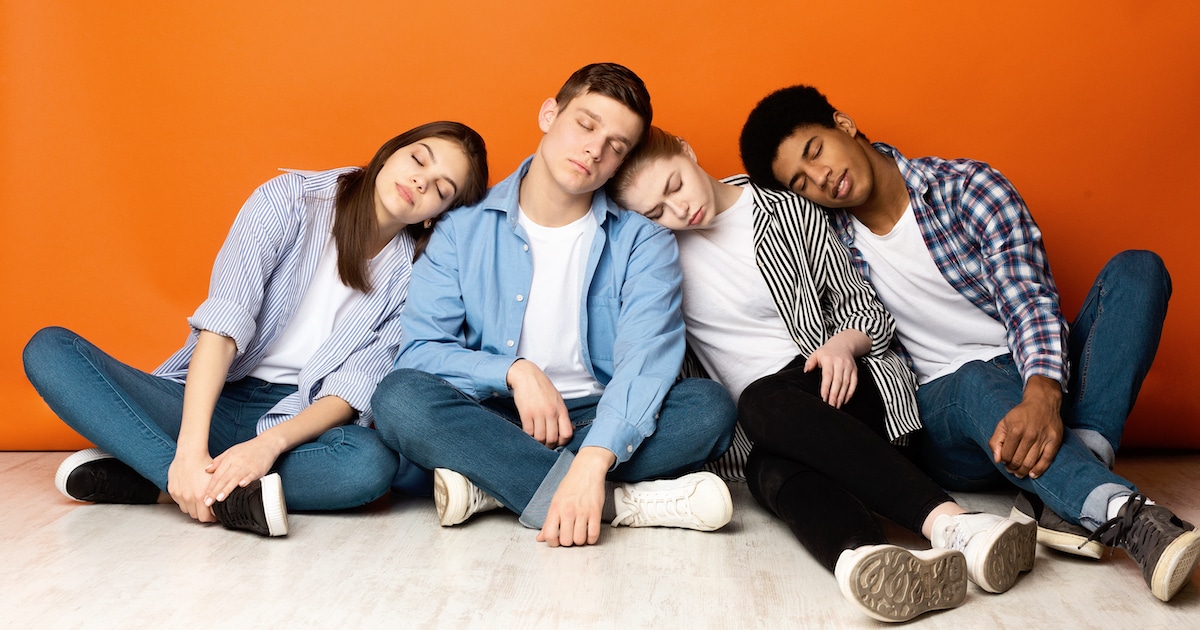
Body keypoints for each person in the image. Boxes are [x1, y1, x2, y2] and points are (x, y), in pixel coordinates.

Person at [739, 85, 1196, 602]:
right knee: (975, 377)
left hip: (1035, 381)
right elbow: (732, 204)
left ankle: (1065, 487)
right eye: (800, 182)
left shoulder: (966, 186)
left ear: (843, 124)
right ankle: (1126, 516)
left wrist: (1042, 393)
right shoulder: (827, 238)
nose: (820, 178)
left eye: (815, 151)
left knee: (1138, 270)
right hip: (945, 412)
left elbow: (1029, 298)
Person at [607, 126, 1035, 622]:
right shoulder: (655, 258)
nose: (677, 211)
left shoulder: (787, 209)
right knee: (767, 470)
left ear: (686, 150)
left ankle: (954, 524)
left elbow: (870, 312)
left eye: (675, 186)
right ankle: (869, 558)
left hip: (848, 386)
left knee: (761, 401)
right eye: (655, 211)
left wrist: (842, 344)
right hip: (766, 429)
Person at [23, 121, 489, 537]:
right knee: (50, 350)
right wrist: (188, 452)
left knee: (369, 466)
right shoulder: (289, 199)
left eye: (439, 189)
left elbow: (352, 391)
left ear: (436, 214)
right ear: (390, 152)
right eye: (417, 159)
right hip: (212, 396)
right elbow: (223, 326)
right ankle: (202, 484)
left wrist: (268, 446)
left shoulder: (418, 277)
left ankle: (158, 481)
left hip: (295, 418)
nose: (418, 181)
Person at [370, 63, 737, 549]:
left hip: (600, 415)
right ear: (549, 114)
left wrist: (594, 457)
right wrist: (513, 372)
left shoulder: (642, 238)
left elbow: (647, 360)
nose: (594, 149)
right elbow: (419, 352)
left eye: (616, 146)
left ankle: (500, 488)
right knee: (400, 399)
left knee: (708, 409)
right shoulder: (462, 229)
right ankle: (620, 505)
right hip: (494, 416)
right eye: (586, 125)